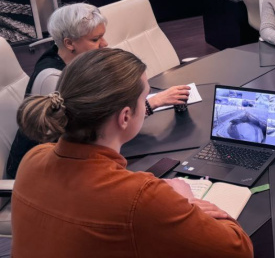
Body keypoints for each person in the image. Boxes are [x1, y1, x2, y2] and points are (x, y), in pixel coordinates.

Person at [11, 48, 253, 258]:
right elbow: (238, 250)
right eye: (145, 97)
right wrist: (188, 202)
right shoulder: (140, 197)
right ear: (125, 117)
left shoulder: (33, 158)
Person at [5, 3, 190, 178]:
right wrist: (150, 104)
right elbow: (93, 131)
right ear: (69, 43)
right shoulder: (54, 80)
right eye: (95, 39)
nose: (105, 43)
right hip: (41, 172)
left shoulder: (73, 61)